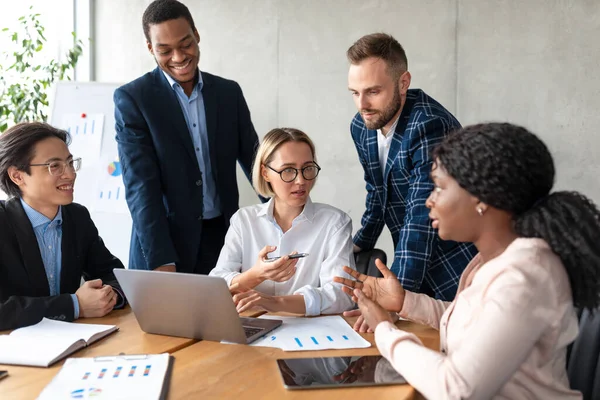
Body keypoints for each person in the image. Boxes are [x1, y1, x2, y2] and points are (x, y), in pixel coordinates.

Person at [335, 122, 600, 399]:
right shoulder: (491, 261)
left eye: (438, 187)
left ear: (481, 198)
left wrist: (384, 330)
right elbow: (473, 323)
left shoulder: (525, 275)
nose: (429, 201)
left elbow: (457, 389)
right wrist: (404, 302)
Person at [114, 0, 259, 275]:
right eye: (165, 50)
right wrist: (160, 259)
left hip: (223, 242)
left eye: (186, 44)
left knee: (223, 319)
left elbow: (256, 163)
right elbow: (140, 187)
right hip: (164, 244)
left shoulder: (228, 94)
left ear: (196, 35)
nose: (179, 57)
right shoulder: (133, 99)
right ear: (150, 49)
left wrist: (284, 220)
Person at [347, 33, 476, 301]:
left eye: (373, 91)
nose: (362, 105)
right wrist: (359, 245)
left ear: (403, 82)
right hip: (409, 263)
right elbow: (378, 193)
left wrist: (397, 296)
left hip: (453, 269)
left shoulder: (430, 126)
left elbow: (421, 216)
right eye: (355, 93)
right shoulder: (362, 126)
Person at [210, 128, 355, 316]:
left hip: (309, 332)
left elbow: (342, 295)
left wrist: (275, 302)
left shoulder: (335, 222)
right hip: (251, 327)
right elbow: (216, 284)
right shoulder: (244, 220)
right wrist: (256, 275)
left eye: (308, 168)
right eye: (288, 170)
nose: (301, 180)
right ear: (265, 172)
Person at [0, 122, 126, 331]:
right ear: (17, 176)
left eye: (70, 162)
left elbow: (113, 274)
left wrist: (108, 294)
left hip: (72, 342)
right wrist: (75, 305)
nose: (70, 174)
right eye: (55, 166)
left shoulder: (77, 216)